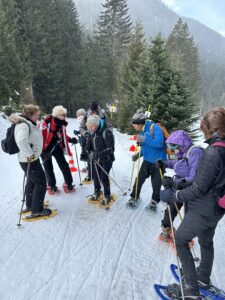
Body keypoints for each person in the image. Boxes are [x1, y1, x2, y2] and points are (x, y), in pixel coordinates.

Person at [160, 107, 225, 299]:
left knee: (180, 239)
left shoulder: (213, 152)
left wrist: (174, 195)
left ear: (210, 128)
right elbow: (204, 179)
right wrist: (176, 182)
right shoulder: (221, 148)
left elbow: (199, 187)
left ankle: (190, 290)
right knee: (206, 241)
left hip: (204, 208)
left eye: (204, 127)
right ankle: (202, 277)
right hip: (217, 208)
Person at [158, 130, 203, 242]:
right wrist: (163, 162)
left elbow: (194, 176)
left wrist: (174, 183)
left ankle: (185, 239)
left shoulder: (195, 152)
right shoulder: (181, 152)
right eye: (170, 146)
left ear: (181, 143)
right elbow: (175, 163)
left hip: (191, 189)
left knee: (189, 215)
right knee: (172, 208)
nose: (172, 149)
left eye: (174, 146)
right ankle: (166, 230)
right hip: (179, 186)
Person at [11, 104, 51, 219]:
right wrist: (31, 154)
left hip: (30, 159)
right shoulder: (24, 125)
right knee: (41, 182)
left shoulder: (27, 123)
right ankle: (37, 210)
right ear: (30, 115)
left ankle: (30, 205)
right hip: (29, 159)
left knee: (32, 181)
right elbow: (22, 141)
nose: (37, 117)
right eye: (36, 115)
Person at [128, 109, 167, 209]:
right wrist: (138, 155)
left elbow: (158, 144)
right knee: (139, 179)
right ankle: (134, 197)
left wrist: (145, 139)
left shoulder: (155, 128)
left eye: (134, 124)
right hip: (147, 160)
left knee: (156, 183)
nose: (133, 126)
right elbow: (146, 147)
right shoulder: (142, 131)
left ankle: (154, 201)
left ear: (140, 123)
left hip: (158, 161)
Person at [40, 105, 77, 194]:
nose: (64, 116)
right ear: (56, 115)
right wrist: (43, 151)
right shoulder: (46, 123)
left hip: (57, 146)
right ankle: (52, 187)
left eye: (64, 115)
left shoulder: (62, 123)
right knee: (48, 168)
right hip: (45, 148)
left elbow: (62, 136)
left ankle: (69, 184)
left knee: (64, 165)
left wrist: (70, 139)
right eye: (62, 115)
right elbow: (39, 137)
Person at [85, 115, 115, 205]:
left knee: (103, 177)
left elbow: (111, 149)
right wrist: (89, 152)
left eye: (92, 126)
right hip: (95, 160)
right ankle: (97, 191)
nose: (90, 128)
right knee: (95, 176)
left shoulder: (106, 132)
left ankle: (107, 195)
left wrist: (97, 154)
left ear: (97, 125)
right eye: (89, 126)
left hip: (107, 159)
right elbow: (88, 147)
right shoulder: (91, 133)